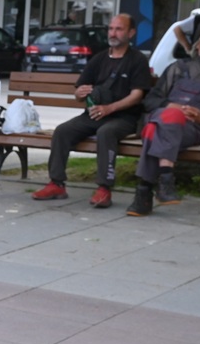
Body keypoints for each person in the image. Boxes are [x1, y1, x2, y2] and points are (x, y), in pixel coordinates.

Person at [31, 13, 152, 208]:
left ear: (131, 33)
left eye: (119, 29)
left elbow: (137, 95)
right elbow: (79, 93)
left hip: (124, 117)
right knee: (62, 131)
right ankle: (57, 183)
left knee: (106, 132)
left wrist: (109, 108)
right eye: (111, 29)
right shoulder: (99, 59)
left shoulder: (137, 60)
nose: (113, 33)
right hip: (95, 114)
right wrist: (80, 93)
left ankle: (104, 189)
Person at [126, 20, 200, 216]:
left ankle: (146, 191)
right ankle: (163, 182)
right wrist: (169, 105)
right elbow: (151, 100)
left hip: (196, 129)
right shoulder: (177, 68)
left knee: (153, 130)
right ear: (197, 43)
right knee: (169, 115)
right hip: (167, 120)